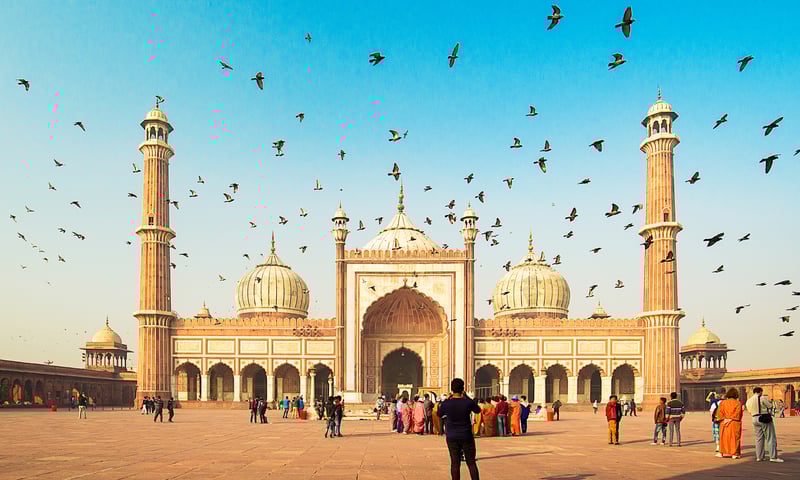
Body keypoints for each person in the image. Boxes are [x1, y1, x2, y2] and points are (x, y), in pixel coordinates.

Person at [438, 378, 481, 480]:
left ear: (452, 389)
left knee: (455, 464)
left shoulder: (447, 403)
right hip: (466, 435)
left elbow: (439, 414)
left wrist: (447, 399)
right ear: (463, 389)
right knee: (471, 463)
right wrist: (466, 397)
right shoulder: (467, 402)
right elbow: (477, 410)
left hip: (452, 436)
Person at [745, 387, 783, 462]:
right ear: (760, 392)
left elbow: (749, 410)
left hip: (754, 418)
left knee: (758, 439)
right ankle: (773, 457)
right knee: (770, 437)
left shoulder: (748, 400)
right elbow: (770, 406)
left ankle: (759, 457)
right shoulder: (761, 398)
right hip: (763, 418)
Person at [717, 387, 742, 459]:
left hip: (723, 422)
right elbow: (738, 414)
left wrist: (725, 419)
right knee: (734, 438)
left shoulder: (722, 403)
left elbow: (719, 413)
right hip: (734, 423)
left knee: (723, 438)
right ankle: (734, 453)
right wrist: (730, 419)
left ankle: (721, 452)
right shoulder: (738, 403)